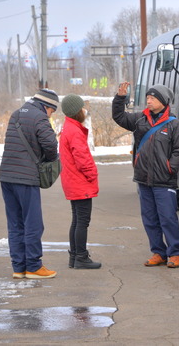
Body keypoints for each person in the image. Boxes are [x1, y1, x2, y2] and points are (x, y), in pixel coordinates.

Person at [112, 83, 179, 268]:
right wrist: (120, 98)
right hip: (143, 179)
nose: (149, 100)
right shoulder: (140, 120)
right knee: (150, 218)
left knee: (167, 217)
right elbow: (119, 117)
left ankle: (175, 253)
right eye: (148, 97)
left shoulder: (175, 125)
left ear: (163, 101)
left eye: (153, 97)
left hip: (164, 180)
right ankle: (158, 252)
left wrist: (170, 168)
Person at [0, 89, 60, 279]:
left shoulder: (16, 114)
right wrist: (50, 160)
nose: (51, 115)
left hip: (7, 176)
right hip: (26, 178)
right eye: (52, 111)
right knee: (33, 223)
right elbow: (50, 145)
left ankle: (19, 267)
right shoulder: (40, 118)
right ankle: (33, 266)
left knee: (15, 223)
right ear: (46, 106)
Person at [59, 93, 101, 269]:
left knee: (77, 220)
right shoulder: (74, 131)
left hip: (72, 181)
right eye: (82, 107)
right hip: (79, 181)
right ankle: (81, 257)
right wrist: (92, 174)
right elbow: (82, 158)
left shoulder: (69, 127)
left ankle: (75, 256)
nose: (85, 110)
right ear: (77, 111)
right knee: (82, 220)